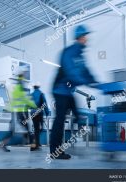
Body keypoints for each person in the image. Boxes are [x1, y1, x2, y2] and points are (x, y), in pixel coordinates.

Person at [50, 25, 98, 159]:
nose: (86, 39)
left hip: (68, 91)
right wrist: (85, 81)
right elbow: (71, 72)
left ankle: (74, 140)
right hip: (59, 90)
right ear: (79, 38)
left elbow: (86, 71)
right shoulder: (69, 52)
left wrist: (96, 82)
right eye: (85, 37)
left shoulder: (80, 55)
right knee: (59, 120)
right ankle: (55, 152)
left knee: (76, 113)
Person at [0, 67, 37, 152]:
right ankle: (33, 145)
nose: (26, 74)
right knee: (26, 128)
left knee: (15, 130)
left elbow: (17, 97)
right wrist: (34, 105)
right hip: (18, 111)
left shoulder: (18, 83)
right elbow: (24, 97)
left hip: (15, 110)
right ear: (22, 74)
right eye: (25, 73)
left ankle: (3, 144)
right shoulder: (21, 83)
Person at [31, 82, 50, 151]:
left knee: (36, 128)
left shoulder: (31, 95)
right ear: (38, 87)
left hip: (33, 113)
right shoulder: (41, 94)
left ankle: (36, 144)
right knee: (41, 128)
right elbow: (44, 104)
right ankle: (35, 145)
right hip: (39, 113)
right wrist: (47, 113)